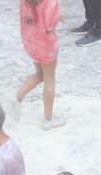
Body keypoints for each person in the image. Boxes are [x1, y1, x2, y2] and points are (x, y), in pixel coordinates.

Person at [17, 0, 64, 128]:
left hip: (31, 40)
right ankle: (48, 119)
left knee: (40, 75)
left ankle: (16, 98)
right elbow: (50, 24)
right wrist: (59, 17)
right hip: (46, 43)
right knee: (49, 79)